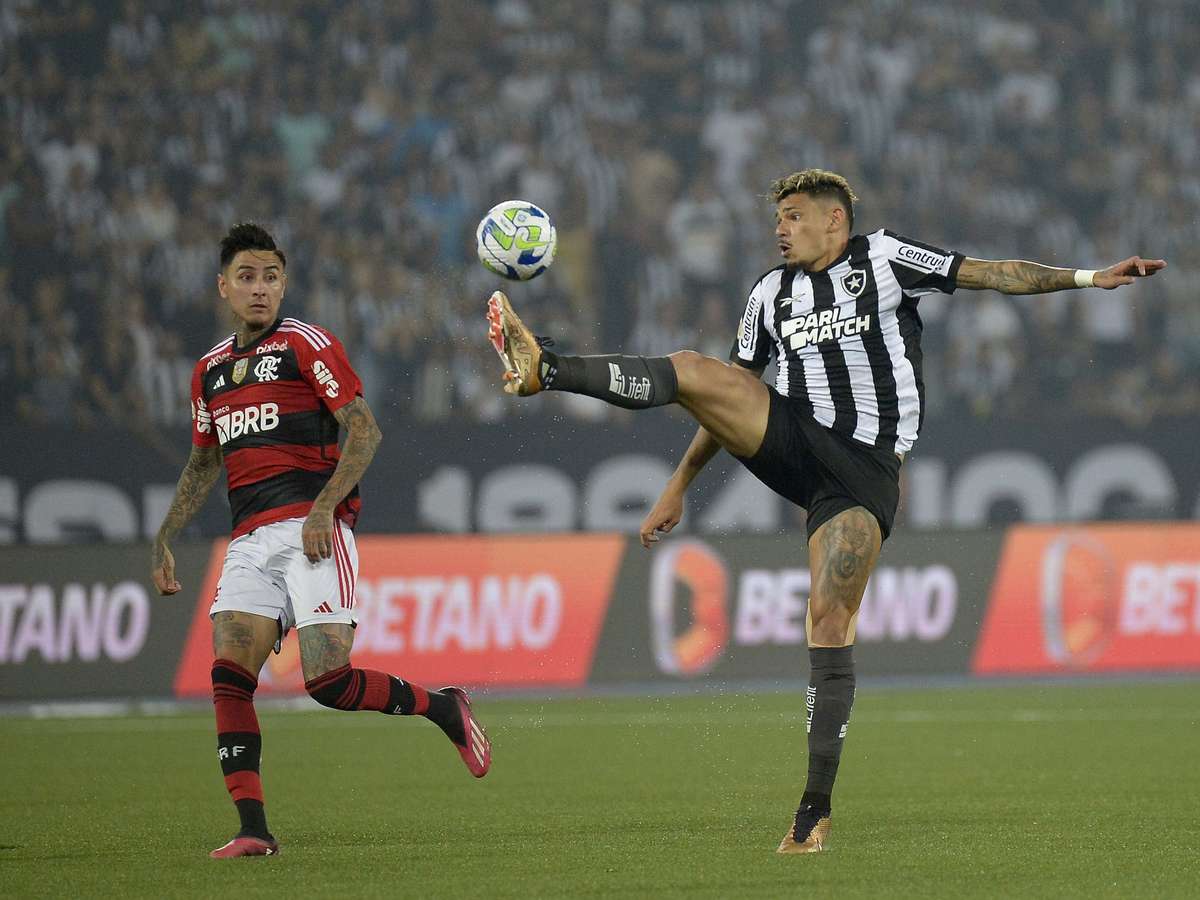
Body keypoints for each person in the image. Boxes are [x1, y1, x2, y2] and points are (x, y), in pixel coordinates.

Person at [485, 168, 1164, 855]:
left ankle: (814, 812)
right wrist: (679, 483)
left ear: (834, 219)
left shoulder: (885, 258)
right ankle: (547, 369)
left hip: (862, 471)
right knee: (693, 367)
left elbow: (991, 273)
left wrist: (1088, 279)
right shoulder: (768, 294)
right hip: (791, 436)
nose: (780, 230)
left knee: (829, 618)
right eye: (778, 219)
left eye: (794, 217)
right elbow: (725, 397)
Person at [153, 223, 491, 860]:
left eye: (270, 277)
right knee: (228, 676)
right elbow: (203, 461)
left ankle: (443, 707)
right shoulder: (209, 372)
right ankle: (254, 829)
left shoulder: (305, 344)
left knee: (327, 681)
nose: (259, 288)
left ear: (283, 284)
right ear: (223, 287)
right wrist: (165, 534)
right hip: (248, 540)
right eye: (247, 277)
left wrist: (325, 507)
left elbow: (364, 431)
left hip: (312, 529)